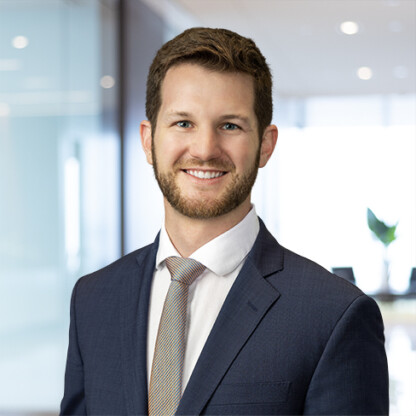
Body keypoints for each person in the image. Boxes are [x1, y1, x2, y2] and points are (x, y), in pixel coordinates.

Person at [60, 27, 389, 415]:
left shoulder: (333, 314)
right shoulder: (94, 299)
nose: (204, 149)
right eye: (183, 123)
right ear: (148, 140)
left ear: (266, 145)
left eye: (230, 125)